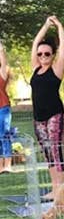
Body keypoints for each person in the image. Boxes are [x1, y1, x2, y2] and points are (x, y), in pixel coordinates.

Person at [31, 16, 64, 198]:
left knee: (56, 149)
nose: (43, 56)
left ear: (53, 55)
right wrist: (45, 25)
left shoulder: (57, 68)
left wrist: (59, 26)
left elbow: (63, 46)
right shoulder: (35, 69)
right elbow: (35, 43)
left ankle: (62, 189)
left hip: (55, 115)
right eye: (40, 54)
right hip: (38, 117)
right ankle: (55, 188)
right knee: (47, 152)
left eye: (47, 53)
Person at [0, 40, 11, 174]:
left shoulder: (1, 75)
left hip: (3, 108)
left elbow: (4, 62)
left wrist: (1, 48)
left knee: (4, 135)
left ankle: (7, 164)